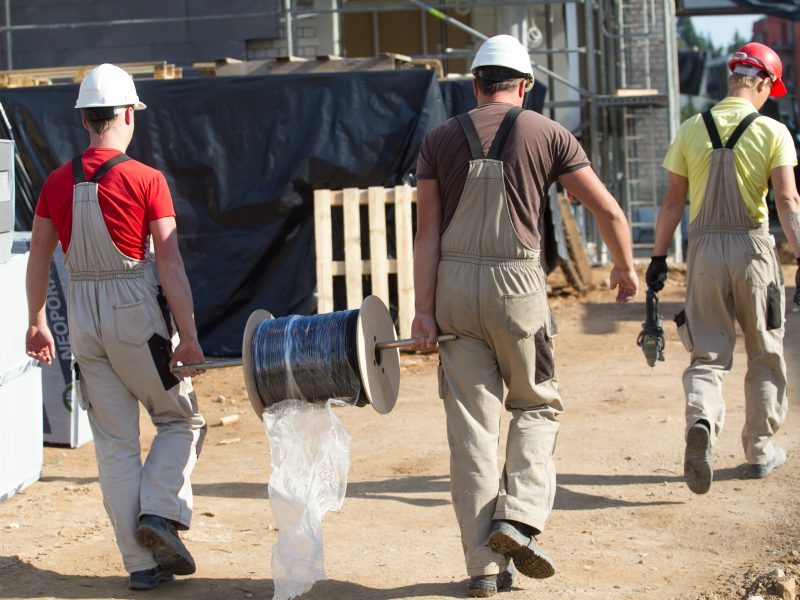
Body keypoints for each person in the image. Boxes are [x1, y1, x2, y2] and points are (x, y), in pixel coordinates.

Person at [411, 35, 639, 598]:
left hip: (454, 291)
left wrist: (421, 311)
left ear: (474, 83)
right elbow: (607, 209)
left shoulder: (439, 138)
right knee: (536, 404)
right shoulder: (548, 133)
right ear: (526, 85)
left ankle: (482, 569)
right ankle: (519, 517)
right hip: (517, 287)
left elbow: (427, 232)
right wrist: (625, 268)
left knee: (470, 432)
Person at [25, 63, 208, 591]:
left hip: (82, 316)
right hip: (136, 314)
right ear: (128, 114)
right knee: (182, 420)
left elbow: (39, 260)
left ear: (85, 120)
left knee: (114, 443)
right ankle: (158, 513)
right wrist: (190, 337)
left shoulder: (55, 183)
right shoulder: (146, 179)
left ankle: (140, 565)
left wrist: (37, 321)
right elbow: (169, 264)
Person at [647, 42, 800, 495]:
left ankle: (701, 420)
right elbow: (788, 201)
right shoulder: (773, 131)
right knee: (765, 351)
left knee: (708, 354)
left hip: (705, 251)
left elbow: (673, 201)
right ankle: (758, 449)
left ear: (733, 78)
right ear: (765, 83)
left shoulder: (692, 128)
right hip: (753, 251)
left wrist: (658, 258)